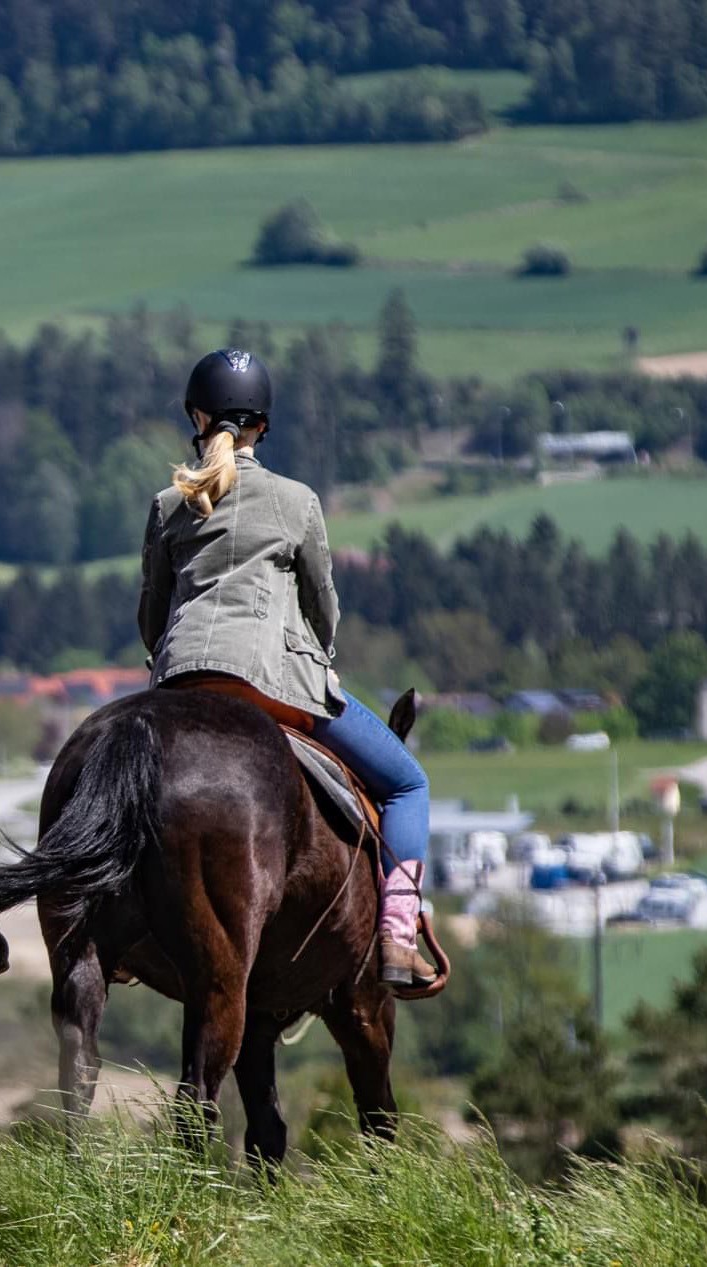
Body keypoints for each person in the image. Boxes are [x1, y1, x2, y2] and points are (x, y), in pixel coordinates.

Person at [136, 348, 436, 992]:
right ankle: (398, 935)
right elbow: (323, 609)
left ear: (197, 416)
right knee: (409, 784)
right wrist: (317, 661)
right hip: (277, 685)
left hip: (180, 682)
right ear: (262, 426)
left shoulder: (168, 505)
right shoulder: (298, 501)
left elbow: (151, 618)